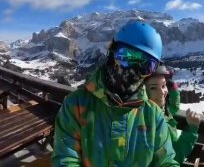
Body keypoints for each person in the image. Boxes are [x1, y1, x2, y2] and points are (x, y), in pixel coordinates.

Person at [51, 21, 179, 167]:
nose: (133, 70)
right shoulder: (76, 105)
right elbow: (65, 160)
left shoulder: (153, 115)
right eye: (126, 56)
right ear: (111, 52)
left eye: (146, 65)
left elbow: (166, 162)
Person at [144, 64, 201, 164]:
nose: (162, 92)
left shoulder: (161, 111)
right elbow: (175, 157)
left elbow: (174, 107)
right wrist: (192, 129)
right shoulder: (152, 124)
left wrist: (174, 89)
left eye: (163, 85)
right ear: (142, 92)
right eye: (153, 88)